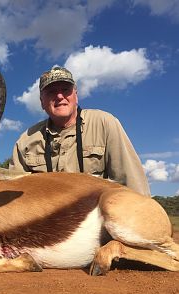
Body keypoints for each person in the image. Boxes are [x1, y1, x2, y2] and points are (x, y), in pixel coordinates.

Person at [9, 66, 150, 196]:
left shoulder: (104, 123)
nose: (59, 96)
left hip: (96, 218)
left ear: (76, 95)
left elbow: (133, 185)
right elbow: (13, 194)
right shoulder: (26, 140)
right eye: (51, 92)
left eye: (65, 90)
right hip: (44, 220)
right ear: (41, 101)